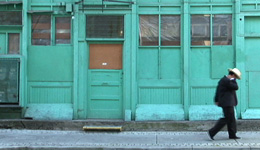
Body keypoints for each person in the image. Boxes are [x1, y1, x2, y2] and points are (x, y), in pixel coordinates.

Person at [207, 68, 242, 140]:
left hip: (227, 102)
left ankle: (232, 134)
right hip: (227, 103)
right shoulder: (227, 81)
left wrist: (216, 99)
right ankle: (212, 131)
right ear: (232, 75)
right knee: (227, 119)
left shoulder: (223, 80)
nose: (235, 79)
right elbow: (236, 87)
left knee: (231, 119)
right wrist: (233, 80)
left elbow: (218, 91)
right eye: (235, 77)